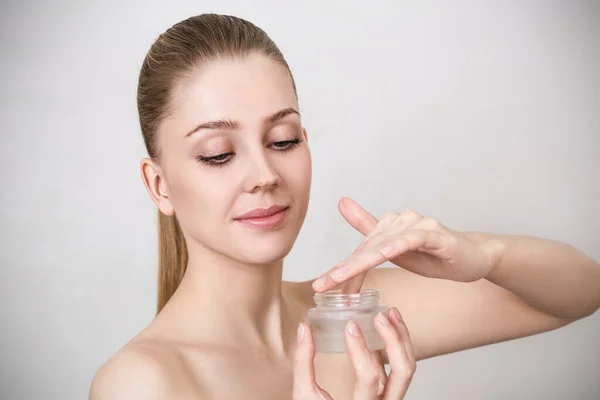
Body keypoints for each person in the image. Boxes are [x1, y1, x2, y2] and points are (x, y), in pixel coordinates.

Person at [89, 13, 600, 400]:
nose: (264, 176)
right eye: (218, 154)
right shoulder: (143, 382)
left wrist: (482, 256)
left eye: (283, 140)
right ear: (159, 186)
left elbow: (580, 292)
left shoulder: (350, 318)